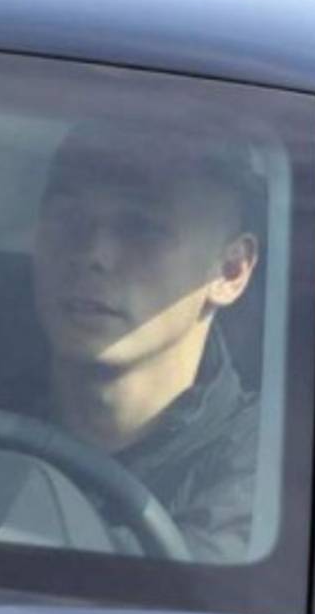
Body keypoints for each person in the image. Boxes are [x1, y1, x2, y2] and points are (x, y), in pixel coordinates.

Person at [32, 121, 263, 562]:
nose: (93, 253)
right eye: (68, 219)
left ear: (231, 271)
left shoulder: (280, 487)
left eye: (142, 228)